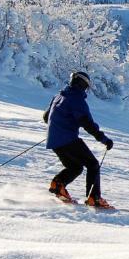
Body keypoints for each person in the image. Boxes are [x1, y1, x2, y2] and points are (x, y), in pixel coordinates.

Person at [43, 71, 115, 208]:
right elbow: (87, 124)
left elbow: (46, 117)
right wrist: (105, 140)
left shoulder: (58, 96)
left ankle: (58, 184)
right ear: (83, 85)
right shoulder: (76, 99)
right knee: (93, 164)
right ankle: (94, 198)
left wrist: (59, 125)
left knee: (75, 167)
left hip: (53, 141)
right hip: (67, 139)